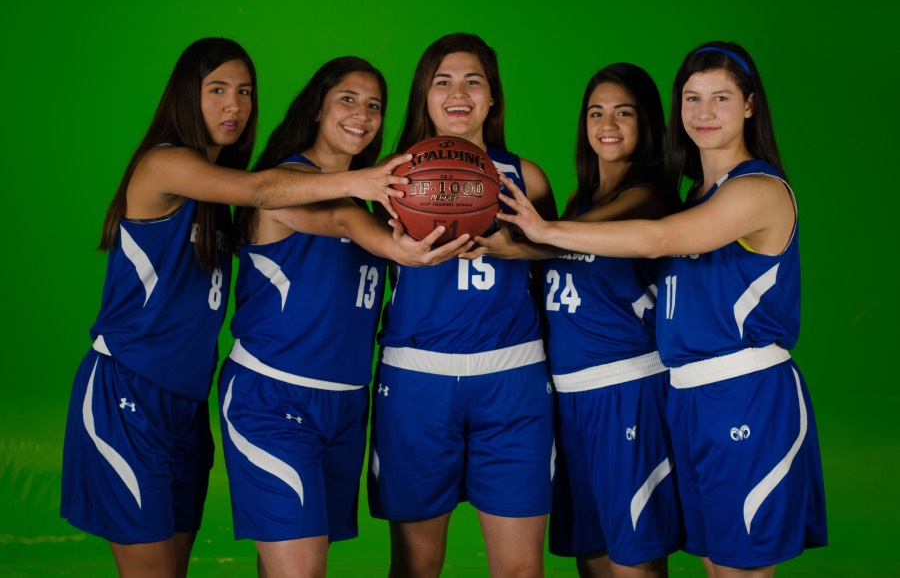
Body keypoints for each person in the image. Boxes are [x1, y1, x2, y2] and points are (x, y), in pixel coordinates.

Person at [60, 38, 415, 578]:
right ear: (186, 95)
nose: (235, 105)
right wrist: (364, 179)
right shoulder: (165, 165)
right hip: (126, 389)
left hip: (185, 404)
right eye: (217, 90)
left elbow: (321, 213)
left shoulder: (219, 195)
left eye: (245, 92)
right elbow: (262, 190)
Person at [492, 42, 827, 578]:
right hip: (688, 395)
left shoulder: (757, 189)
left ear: (749, 105)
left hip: (745, 391)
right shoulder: (699, 192)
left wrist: (542, 229)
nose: (704, 112)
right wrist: (516, 247)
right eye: (692, 98)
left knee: (738, 569)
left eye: (721, 98)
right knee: (715, 565)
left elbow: (655, 238)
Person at [218, 56, 470, 578]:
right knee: (301, 568)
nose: (363, 114)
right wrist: (399, 246)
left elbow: (367, 219)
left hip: (345, 405)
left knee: (293, 560)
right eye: (348, 100)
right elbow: (340, 218)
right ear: (317, 109)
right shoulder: (285, 181)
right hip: (273, 397)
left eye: (375, 105)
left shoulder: (377, 197)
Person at [467, 63, 682, 577]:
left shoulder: (650, 195)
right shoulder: (581, 200)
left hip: (627, 389)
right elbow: (557, 238)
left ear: (648, 123)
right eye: (596, 113)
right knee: (593, 553)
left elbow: (564, 236)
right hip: (571, 396)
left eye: (623, 112)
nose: (607, 124)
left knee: (633, 556)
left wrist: (521, 242)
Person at [366, 32, 557, 577]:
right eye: (442, 81)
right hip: (416, 379)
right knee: (416, 567)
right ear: (423, 96)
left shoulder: (526, 175)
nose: (458, 93)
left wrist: (510, 246)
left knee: (521, 569)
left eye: (474, 81)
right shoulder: (390, 178)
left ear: (493, 97)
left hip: (513, 376)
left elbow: (556, 261)